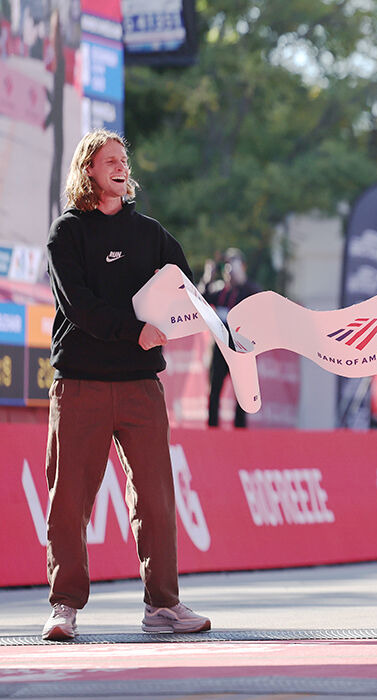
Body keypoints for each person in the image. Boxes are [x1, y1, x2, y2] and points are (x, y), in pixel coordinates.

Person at [41, 129, 211, 640]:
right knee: (69, 499)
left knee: (156, 498)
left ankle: (163, 606)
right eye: (108, 160)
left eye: (123, 159)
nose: (120, 165)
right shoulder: (66, 233)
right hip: (81, 384)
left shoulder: (152, 235)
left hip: (141, 385)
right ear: (88, 170)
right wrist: (136, 330)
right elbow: (82, 309)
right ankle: (64, 606)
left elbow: (186, 291)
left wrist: (200, 323)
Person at [203, 247, 260, 429]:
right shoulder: (220, 292)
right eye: (226, 267)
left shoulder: (247, 290)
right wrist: (208, 277)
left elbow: (259, 297)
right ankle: (212, 429)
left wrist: (242, 280)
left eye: (233, 267)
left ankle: (240, 431)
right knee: (214, 390)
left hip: (241, 349)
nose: (229, 272)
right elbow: (200, 298)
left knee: (242, 393)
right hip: (220, 348)